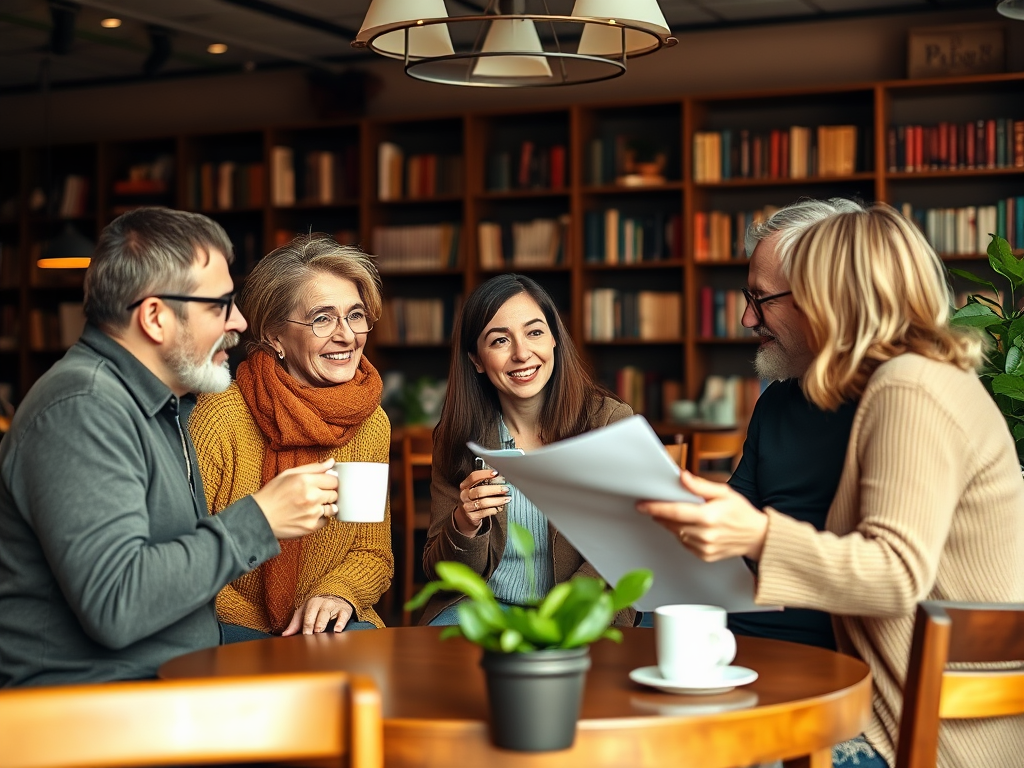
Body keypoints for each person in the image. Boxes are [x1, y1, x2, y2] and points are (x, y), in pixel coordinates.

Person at [637, 204, 1024, 768]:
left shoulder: (910, 387)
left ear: (836, 298)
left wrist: (759, 535)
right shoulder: (907, 379)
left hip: (910, 727)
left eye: (795, 291)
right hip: (873, 697)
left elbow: (894, 575)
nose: (749, 319)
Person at [0, 208, 341, 687]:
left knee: (346, 679)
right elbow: (117, 604)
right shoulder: (84, 408)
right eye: (219, 306)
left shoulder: (165, 405)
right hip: (92, 708)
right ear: (156, 317)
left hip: (169, 679)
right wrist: (259, 520)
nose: (239, 322)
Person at [190, 234, 393, 640]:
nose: (347, 336)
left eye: (355, 315)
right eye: (322, 318)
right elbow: (185, 557)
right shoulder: (221, 418)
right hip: (230, 620)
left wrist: (338, 594)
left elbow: (371, 552)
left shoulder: (369, 422)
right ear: (274, 336)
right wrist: (270, 627)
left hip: (333, 620)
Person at [421, 274, 635, 626]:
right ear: (476, 359)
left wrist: (558, 617)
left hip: (578, 603)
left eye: (534, 332)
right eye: (500, 340)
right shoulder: (457, 437)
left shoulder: (609, 424)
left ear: (554, 339)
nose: (522, 354)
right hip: (483, 608)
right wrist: (465, 522)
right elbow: (440, 572)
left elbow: (625, 546)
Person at [727, 197, 865, 651]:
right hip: (741, 628)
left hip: (840, 649)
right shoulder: (777, 400)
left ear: (822, 297)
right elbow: (734, 520)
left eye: (760, 299)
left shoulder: (892, 402)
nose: (748, 318)